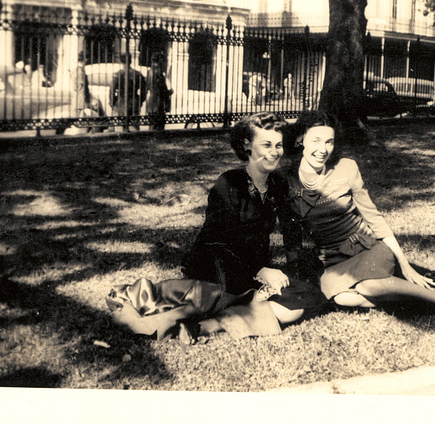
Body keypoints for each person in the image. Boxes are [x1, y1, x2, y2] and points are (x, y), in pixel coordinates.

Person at [106, 112, 326, 345]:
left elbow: (291, 232)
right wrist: (260, 270)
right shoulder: (229, 184)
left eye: (279, 145)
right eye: (267, 145)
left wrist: (292, 270)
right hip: (216, 267)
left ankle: (206, 326)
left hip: (253, 271)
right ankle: (213, 319)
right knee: (242, 300)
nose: (274, 152)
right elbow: (219, 240)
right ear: (247, 146)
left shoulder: (278, 184)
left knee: (302, 300)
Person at [280, 110, 435, 312]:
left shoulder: (346, 167)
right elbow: (290, 234)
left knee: (368, 286)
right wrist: (294, 270)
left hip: (368, 247)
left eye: (329, 142)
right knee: (343, 299)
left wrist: (405, 264)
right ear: (300, 139)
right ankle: (418, 299)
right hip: (333, 261)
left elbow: (374, 218)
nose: (323, 149)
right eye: (315, 141)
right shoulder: (285, 181)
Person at [109, 53, 147, 130]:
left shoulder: (117, 74)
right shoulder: (138, 74)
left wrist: (112, 102)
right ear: (131, 61)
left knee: (122, 126)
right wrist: (140, 100)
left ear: (120, 61)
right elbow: (144, 89)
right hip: (134, 102)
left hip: (121, 102)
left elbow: (112, 91)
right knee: (135, 126)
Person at [146, 51, 173, 131]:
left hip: (151, 101)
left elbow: (147, 87)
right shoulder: (159, 73)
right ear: (160, 60)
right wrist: (170, 91)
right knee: (159, 126)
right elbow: (161, 89)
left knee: (152, 125)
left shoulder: (149, 72)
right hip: (158, 103)